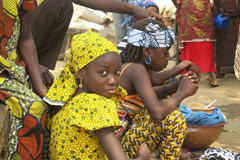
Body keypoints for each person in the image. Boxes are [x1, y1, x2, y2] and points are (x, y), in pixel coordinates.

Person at [43, 30, 151, 160]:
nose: (113, 81)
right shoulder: (95, 105)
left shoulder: (68, 99)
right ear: (81, 73)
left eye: (117, 72)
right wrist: (142, 156)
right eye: (103, 73)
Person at [30, 0, 167, 89]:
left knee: (62, 4)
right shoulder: (135, 67)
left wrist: (134, 10)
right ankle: (30, 70)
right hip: (12, 47)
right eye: (103, 73)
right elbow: (156, 110)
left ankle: (38, 75)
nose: (113, 81)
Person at [116, 18, 200, 159]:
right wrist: (181, 93)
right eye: (165, 53)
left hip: (120, 138)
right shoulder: (136, 69)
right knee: (173, 118)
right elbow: (157, 112)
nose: (168, 58)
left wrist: (174, 86)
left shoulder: (134, 67)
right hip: (117, 145)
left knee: (168, 97)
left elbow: (150, 88)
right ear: (147, 51)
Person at [0, 0, 49, 159]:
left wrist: (40, 87)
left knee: (47, 105)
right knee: (33, 108)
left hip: (12, 68)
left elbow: (25, 37)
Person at [171, 0, 223, 87]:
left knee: (188, 39)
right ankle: (209, 74)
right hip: (203, 8)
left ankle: (188, 75)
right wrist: (220, 7)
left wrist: (178, 5)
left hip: (187, 8)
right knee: (205, 39)